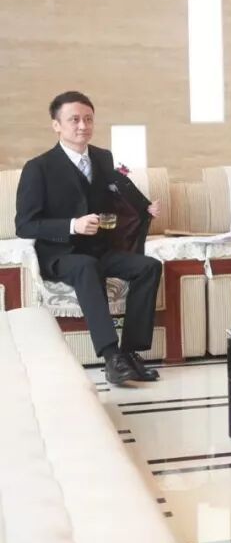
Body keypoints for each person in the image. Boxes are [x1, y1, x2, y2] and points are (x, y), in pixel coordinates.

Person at [15, 91, 163, 385]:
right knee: (85, 266)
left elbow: (120, 188)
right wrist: (73, 225)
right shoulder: (38, 167)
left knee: (149, 266)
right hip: (61, 255)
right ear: (56, 125)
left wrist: (144, 207)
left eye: (88, 119)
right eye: (74, 120)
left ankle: (130, 352)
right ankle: (111, 357)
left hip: (100, 249)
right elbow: (25, 225)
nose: (83, 126)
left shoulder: (102, 157)